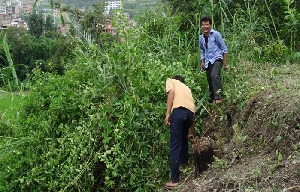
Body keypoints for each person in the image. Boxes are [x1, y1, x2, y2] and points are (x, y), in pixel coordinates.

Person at [164, 75, 196, 189]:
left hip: (178, 112)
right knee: (184, 140)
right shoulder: (187, 88)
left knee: (175, 145)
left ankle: (175, 180)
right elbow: (192, 109)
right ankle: (185, 166)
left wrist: (167, 114)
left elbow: (171, 93)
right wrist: (191, 133)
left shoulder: (171, 81)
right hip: (189, 115)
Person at [199, 15, 228, 104]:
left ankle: (218, 97)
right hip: (208, 61)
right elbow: (202, 50)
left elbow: (224, 49)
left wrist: (225, 64)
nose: (205, 27)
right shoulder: (201, 38)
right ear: (201, 26)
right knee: (209, 78)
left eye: (207, 24)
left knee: (214, 75)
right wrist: (202, 62)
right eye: (203, 25)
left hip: (217, 58)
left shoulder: (216, 34)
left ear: (210, 25)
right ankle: (212, 98)